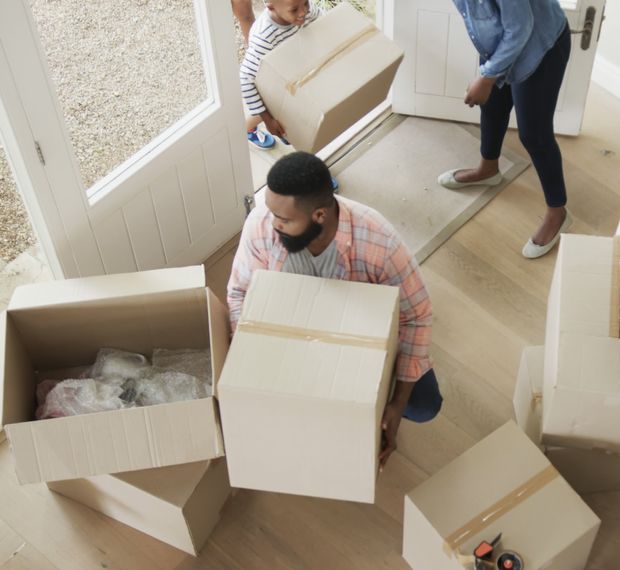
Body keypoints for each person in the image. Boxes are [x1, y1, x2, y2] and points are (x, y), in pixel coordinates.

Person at [227, 152, 442, 467]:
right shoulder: (261, 226)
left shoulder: (380, 244)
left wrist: (396, 403)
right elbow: (239, 292)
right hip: (294, 334)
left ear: (319, 216)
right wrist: (247, 355)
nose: (273, 225)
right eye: (271, 212)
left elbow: (417, 315)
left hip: (361, 333)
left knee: (423, 406)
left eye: (284, 219)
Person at [438, 0, 573, 259]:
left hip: (539, 46)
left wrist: (487, 77)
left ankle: (558, 212)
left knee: (534, 134)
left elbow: (521, 28)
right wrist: (490, 74)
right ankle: (488, 170)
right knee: (492, 107)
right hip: (503, 40)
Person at [238, 0, 324, 150]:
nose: (303, 12)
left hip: (291, 72)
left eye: (306, 3)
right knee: (287, 122)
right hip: (273, 84)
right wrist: (268, 120)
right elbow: (246, 79)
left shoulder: (303, 9)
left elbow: (323, 22)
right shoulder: (264, 38)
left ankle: (247, 128)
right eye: (294, 10)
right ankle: (241, 131)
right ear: (271, 6)